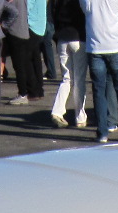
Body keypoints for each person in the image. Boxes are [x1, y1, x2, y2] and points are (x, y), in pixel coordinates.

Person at [83, 0, 118, 140]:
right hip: (116, 45)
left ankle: (102, 132)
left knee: (99, 91)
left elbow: (85, 10)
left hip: (95, 47)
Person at [49, 0, 89, 128]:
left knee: (66, 78)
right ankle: (80, 117)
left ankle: (57, 111)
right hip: (79, 37)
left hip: (62, 37)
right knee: (79, 80)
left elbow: (52, 13)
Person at [4, 0, 46, 104]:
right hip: (40, 25)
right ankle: (38, 91)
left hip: (31, 26)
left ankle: (29, 91)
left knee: (24, 60)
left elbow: (27, 7)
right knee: (35, 58)